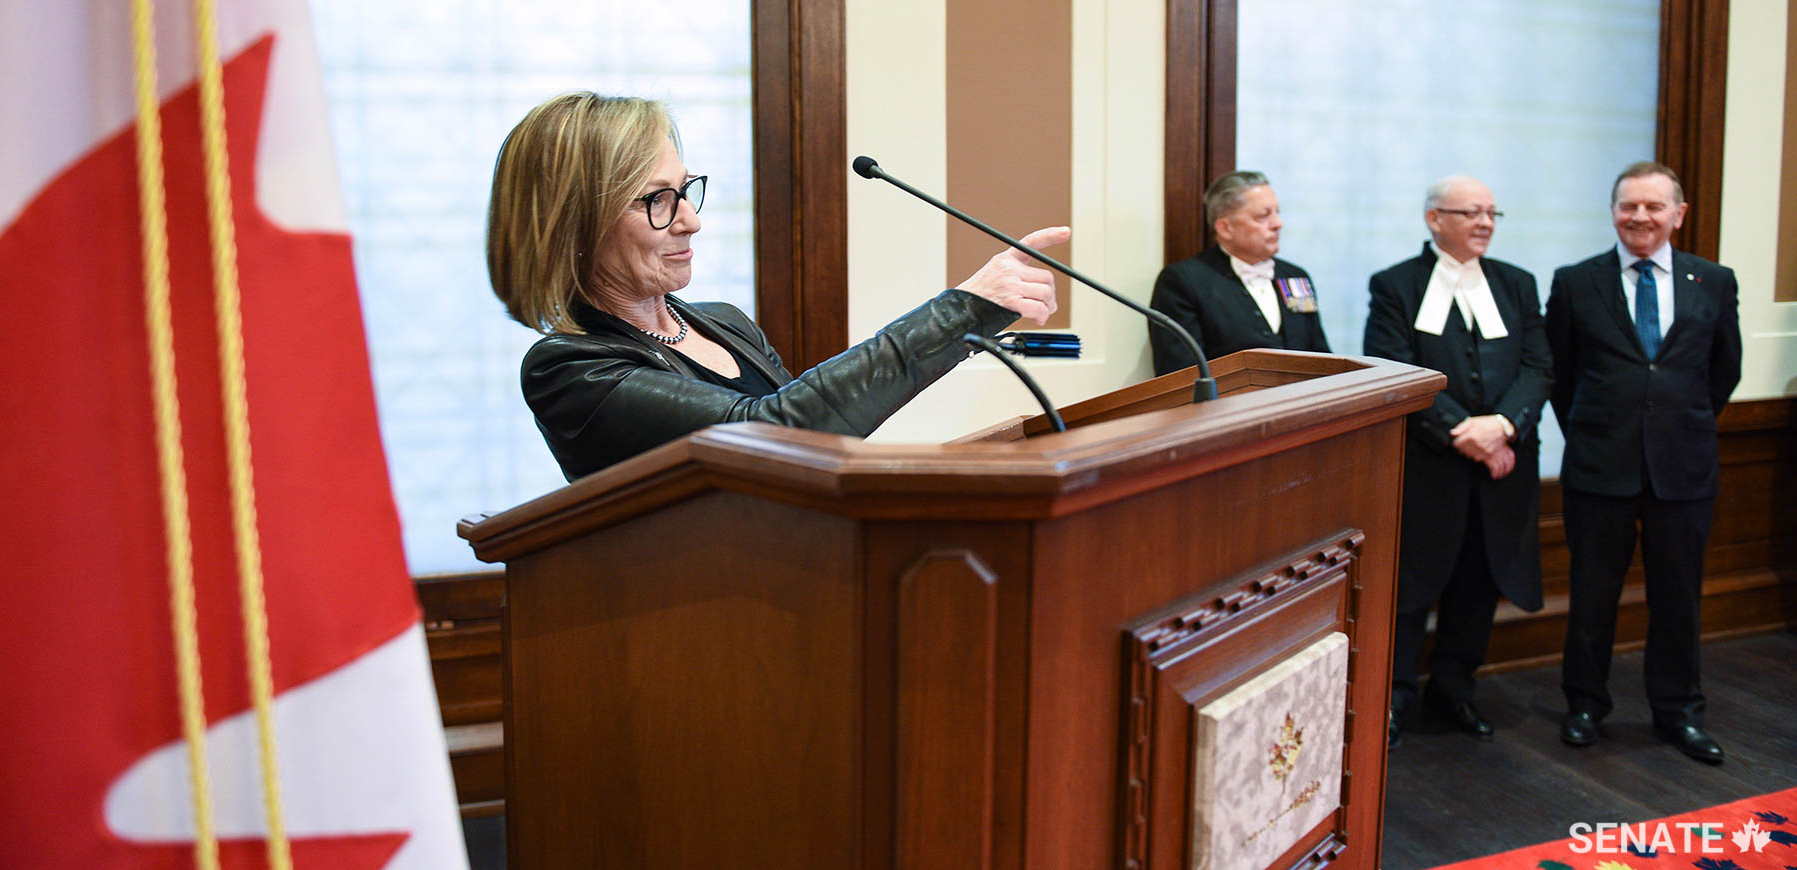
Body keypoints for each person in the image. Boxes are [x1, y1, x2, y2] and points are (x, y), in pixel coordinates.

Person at [487, 93, 1065, 480]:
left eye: (686, 191)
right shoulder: (571, 369)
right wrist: (958, 315)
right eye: (657, 200)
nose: (691, 219)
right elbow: (775, 434)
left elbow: (819, 453)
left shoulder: (724, 323)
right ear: (577, 223)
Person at [1547, 162, 1741, 764]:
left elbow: (1723, 370)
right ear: (1613, 212)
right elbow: (1560, 374)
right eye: (1629, 205)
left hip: (1683, 470)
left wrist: (1676, 424)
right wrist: (1599, 429)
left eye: (1654, 207)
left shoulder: (1714, 280)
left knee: (1679, 598)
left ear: (1677, 215)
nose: (1640, 217)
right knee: (1592, 595)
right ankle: (1584, 705)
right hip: (1600, 468)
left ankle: (1679, 713)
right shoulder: (1577, 281)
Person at [1364, 176, 1551, 748]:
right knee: (1410, 587)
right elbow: (1392, 367)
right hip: (1429, 468)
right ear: (1434, 219)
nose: (1484, 223)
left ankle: (1455, 690)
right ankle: (1392, 699)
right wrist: (1457, 431)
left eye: (1492, 212)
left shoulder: (1516, 284)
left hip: (1502, 466)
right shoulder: (1396, 284)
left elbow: (1540, 366)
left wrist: (1503, 426)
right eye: (1470, 212)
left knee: (1480, 579)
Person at [1148, 171, 1330, 375]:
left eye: (1277, 212)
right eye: (1263, 216)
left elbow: (1320, 354)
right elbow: (1180, 374)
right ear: (1225, 228)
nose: (1278, 223)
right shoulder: (1182, 281)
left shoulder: (1295, 276)